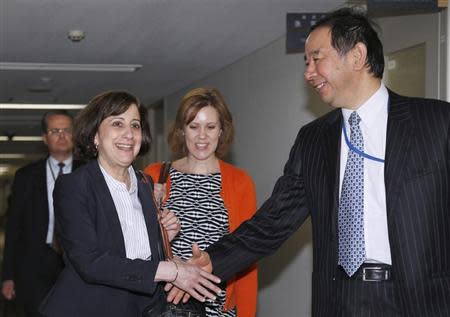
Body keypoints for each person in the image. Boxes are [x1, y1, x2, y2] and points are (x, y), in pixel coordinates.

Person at [185, 8, 450, 317]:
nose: (308, 73)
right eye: (306, 62)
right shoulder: (313, 140)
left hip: (420, 301)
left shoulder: (437, 123)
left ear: (357, 55)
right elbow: (274, 221)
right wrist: (214, 259)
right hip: (338, 300)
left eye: (316, 58)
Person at [39, 91, 221, 317]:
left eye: (135, 126)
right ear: (95, 135)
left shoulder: (146, 184)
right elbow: (91, 262)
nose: (129, 134)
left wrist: (161, 237)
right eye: (117, 123)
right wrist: (171, 271)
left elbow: (135, 255)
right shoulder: (74, 186)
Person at [145, 87, 258, 317]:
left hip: (218, 309)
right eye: (193, 127)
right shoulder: (155, 175)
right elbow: (135, 247)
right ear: (181, 131)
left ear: (222, 130)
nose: (202, 136)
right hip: (165, 305)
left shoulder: (240, 182)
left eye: (210, 127)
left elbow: (247, 254)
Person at [2, 110, 82, 317]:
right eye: (55, 131)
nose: (62, 135)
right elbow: (13, 227)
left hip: (78, 262)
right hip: (35, 262)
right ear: (45, 138)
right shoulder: (26, 176)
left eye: (67, 130)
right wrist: (8, 275)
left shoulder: (89, 173)